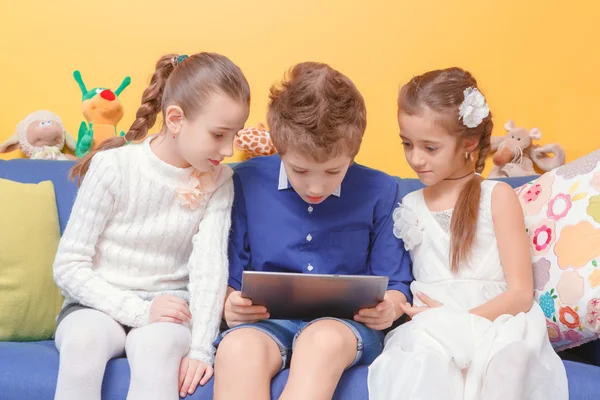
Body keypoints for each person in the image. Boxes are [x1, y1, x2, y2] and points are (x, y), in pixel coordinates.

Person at [52, 52, 250, 400]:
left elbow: (209, 270)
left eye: (235, 135)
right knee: (84, 342)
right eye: (219, 134)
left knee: (157, 350)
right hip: (97, 303)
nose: (229, 149)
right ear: (175, 119)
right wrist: (141, 311)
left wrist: (201, 349)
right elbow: (68, 266)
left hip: (172, 308)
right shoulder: (112, 167)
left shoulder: (220, 180)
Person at [213, 62, 413, 400]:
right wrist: (229, 304)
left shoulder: (381, 190)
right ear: (278, 147)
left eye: (333, 170)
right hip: (263, 325)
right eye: (300, 170)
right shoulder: (243, 182)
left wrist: (389, 308)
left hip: (343, 329)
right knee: (237, 349)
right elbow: (226, 277)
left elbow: (396, 285)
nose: (315, 186)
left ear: (353, 153)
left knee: (321, 341)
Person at [368, 67, 568, 400]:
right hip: (430, 330)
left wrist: (456, 322)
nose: (415, 158)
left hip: (496, 321)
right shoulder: (408, 204)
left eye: (430, 148)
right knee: (420, 363)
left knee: (508, 358)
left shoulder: (496, 195)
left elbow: (520, 294)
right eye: (407, 144)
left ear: (469, 143)